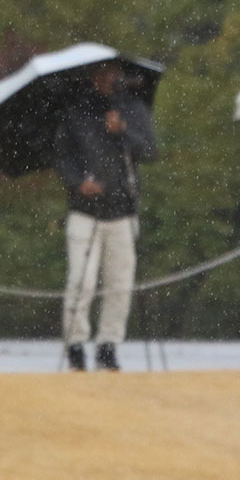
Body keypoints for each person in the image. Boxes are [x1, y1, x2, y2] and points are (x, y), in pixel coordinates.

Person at [54, 60, 158, 371]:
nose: (111, 78)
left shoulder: (133, 110)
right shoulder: (76, 113)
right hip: (85, 211)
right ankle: (75, 345)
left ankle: (108, 345)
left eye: (115, 73)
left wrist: (122, 131)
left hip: (123, 210)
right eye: (104, 73)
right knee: (81, 282)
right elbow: (62, 157)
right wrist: (78, 182)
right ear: (93, 77)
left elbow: (150, 151)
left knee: (120, 283)